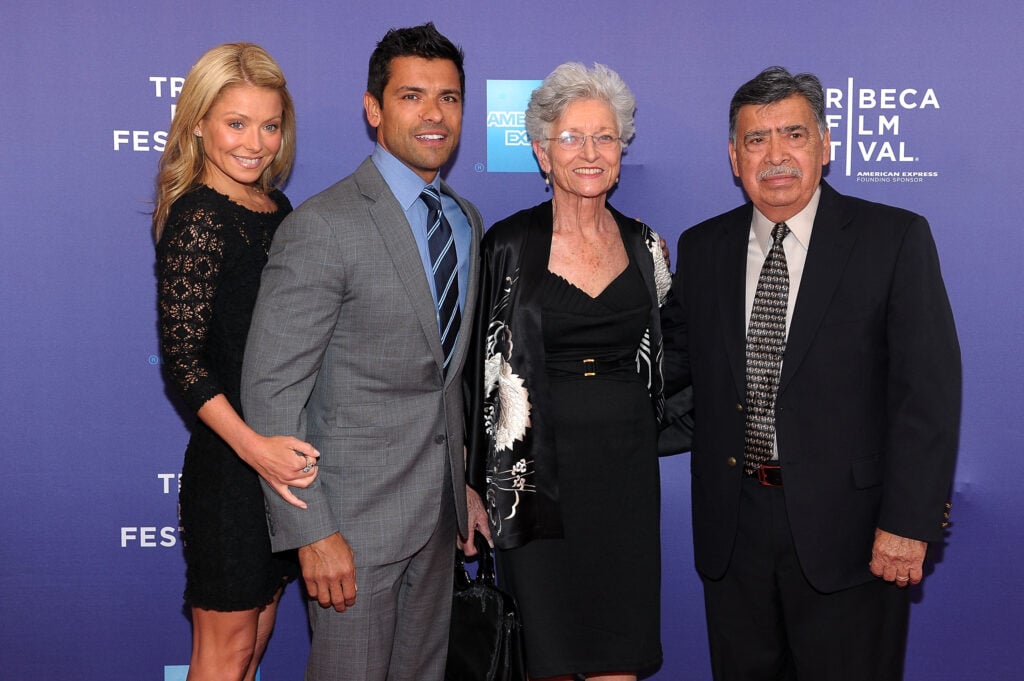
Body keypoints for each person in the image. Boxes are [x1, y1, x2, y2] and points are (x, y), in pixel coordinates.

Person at [660, 66, 961, 680]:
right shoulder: (702, 248)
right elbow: (670, 371)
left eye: (793, 134)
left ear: (825, 145)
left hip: (852, 537)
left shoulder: (893, 238)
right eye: (756, 140)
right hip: (733, 532)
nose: (775, 156)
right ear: (733, 156)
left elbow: (925, 393)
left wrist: (908, 523)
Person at [240, 23, 489, 681]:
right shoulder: (324, 226)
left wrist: (460, 486)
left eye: (450, 97)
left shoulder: (465, 220)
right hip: (348, 532)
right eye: (412, 96)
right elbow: (271, 394)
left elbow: (443, 379)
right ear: (374, 109)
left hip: (436, 523)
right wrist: (312, 531)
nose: (434, 114)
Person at [466, 62, 672, 681]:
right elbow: (474, 369)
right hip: (532, 481)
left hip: (625, 477)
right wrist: (471, 484)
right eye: (571, 138)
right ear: (541, 152)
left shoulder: (647, 245)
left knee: (619, 658)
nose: (589, 152)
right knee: (548, 659)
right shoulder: (507, 244)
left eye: (604, 137)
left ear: (621, 150)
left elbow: (675, 350)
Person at [154, 43, 321, 681]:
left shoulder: (275, 209)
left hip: (279, 469)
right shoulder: (199, 218)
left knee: (252, 650)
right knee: (222, 659)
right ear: (198, 123)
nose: (255, 143)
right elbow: (185, 365)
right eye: (236, 123)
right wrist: (257, 451)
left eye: (270, 125)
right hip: (232, 472)